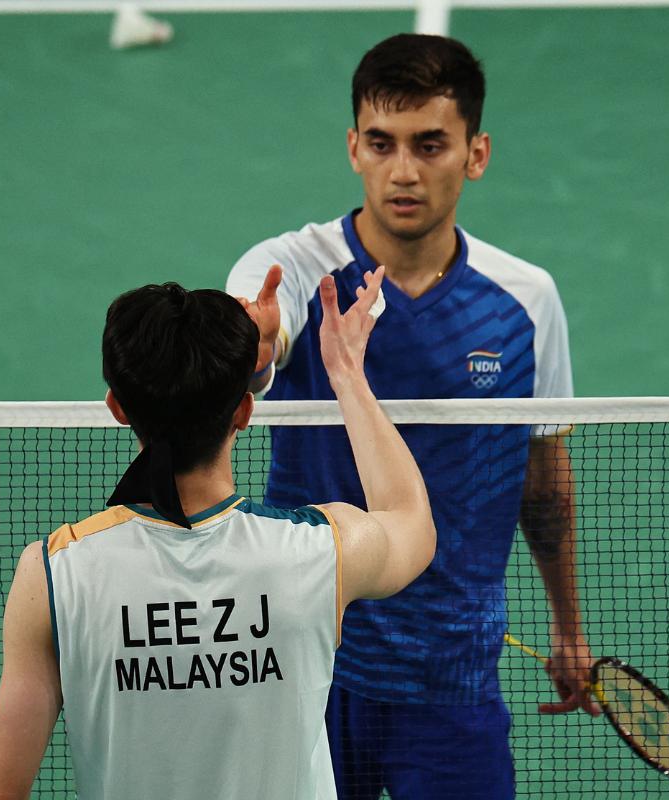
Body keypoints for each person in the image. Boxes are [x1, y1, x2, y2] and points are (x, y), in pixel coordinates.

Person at [227, 33, 598, 800]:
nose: (404, 171)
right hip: (309, 671)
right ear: (353, 148)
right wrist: (253, 338)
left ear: (476, 153)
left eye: (430, 145)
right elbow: (261, 332)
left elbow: (545, 486)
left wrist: (568, 625)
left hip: (452, 678)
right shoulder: (295, 269)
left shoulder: (526, 303)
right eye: (382, 143)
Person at [0, 267, 436, 800]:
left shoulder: (55, 575)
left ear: (118, 407)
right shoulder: (322, 551)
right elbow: (409, 519)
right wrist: (347, 371)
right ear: (245, 410)